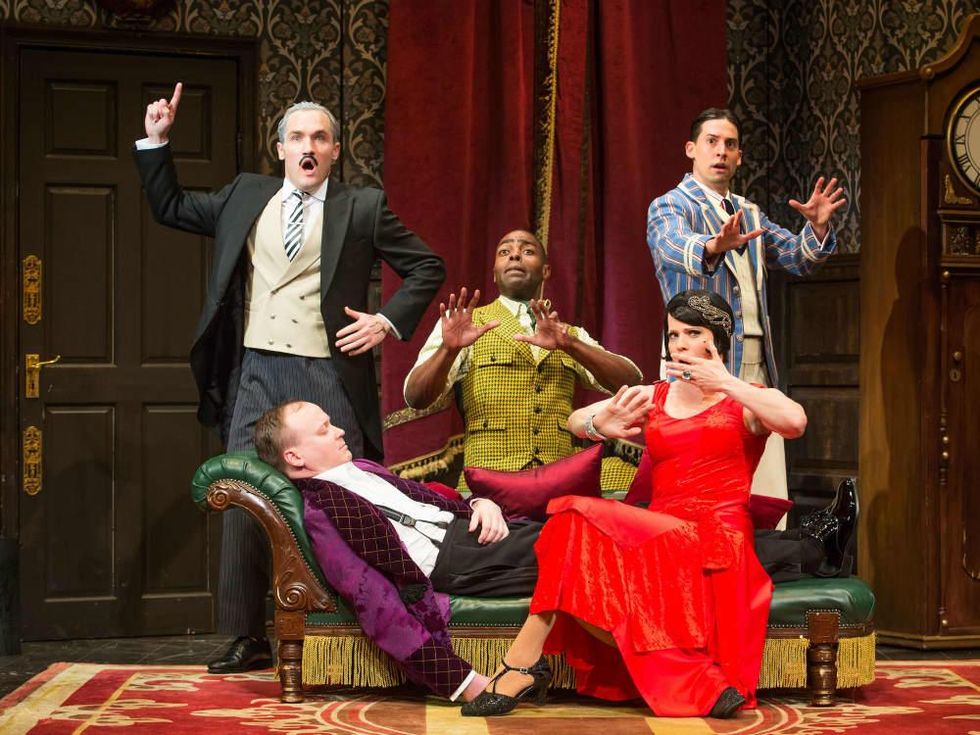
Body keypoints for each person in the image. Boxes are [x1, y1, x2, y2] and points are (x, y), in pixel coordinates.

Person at [134, 84, 445, 673]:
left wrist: (384, 320)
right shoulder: (245, 195)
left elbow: (427, 265)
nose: (308, 147)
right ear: (280, 149)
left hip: (325, 369)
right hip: (255, 368)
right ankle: (245, 633)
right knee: (242, 491)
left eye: (319, 138)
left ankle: (350, 623)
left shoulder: (362, 207)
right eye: (297, 137)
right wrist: (156, 142)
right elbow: (170, 206)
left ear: (334, 151)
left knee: (341, 493)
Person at [461, 290, 806, 719]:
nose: (680, 344)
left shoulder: (744, 401)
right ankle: (527, 662)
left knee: (569, 516)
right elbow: (575, 421)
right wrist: (598, 424)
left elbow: (795, 422)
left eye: (692, 333)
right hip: (657, 542)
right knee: (567, 527)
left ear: (717, 339)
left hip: (716, 542)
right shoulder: (655, 397)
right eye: (673, 334)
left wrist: (726, 383)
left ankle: (520, 666)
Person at [254, 400, 542, 702]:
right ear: (295, 457)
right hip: (457, 561)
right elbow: (372, 598)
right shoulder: (325, 512)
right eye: (324, 430)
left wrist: (480, 503)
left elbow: (430, 498)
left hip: (469, 529)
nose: (339, 431)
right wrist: (462, 682)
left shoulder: (360, 469)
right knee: (568, 542)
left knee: (566, 525)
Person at [646, 108, 846, 505]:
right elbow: (671, 247)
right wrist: (712, 245)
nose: (721, 151)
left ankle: (763, 540)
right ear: (691, 149)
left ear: (739, 156)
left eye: (730, 144)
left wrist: (818, 227)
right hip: (701, 358)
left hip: (754, 356)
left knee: (762, 477)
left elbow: (798, 258)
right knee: (706, 472)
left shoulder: (748, 212)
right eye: (712, 142)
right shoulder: (670, 206)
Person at [403, 229, 642, 488]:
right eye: (505, 251)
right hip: (488, 487)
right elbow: (416, 397)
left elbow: (630, 382)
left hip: (559, 484)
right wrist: (448, 350)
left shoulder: (568, 334)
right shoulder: (465, 326)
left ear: (545, 271)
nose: (515, 255)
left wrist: (570, 345)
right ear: (494, 273)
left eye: (527, 251)